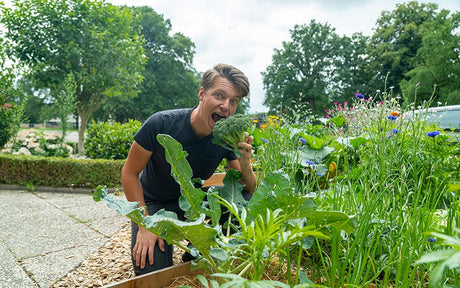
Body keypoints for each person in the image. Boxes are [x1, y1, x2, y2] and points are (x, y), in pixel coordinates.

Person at [121, 63, 257, 275]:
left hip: (194, 202)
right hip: (154, 203)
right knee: (152, 271)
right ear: (202, 93)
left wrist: (246, 162)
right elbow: (129, 174)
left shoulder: (226, 137)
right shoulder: (161, 124)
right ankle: (181, 248)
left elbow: (248, 188)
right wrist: (145, 225)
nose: (226, 106)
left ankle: (195, 253)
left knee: (244, 200)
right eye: (219, 95)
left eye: (234, 101)